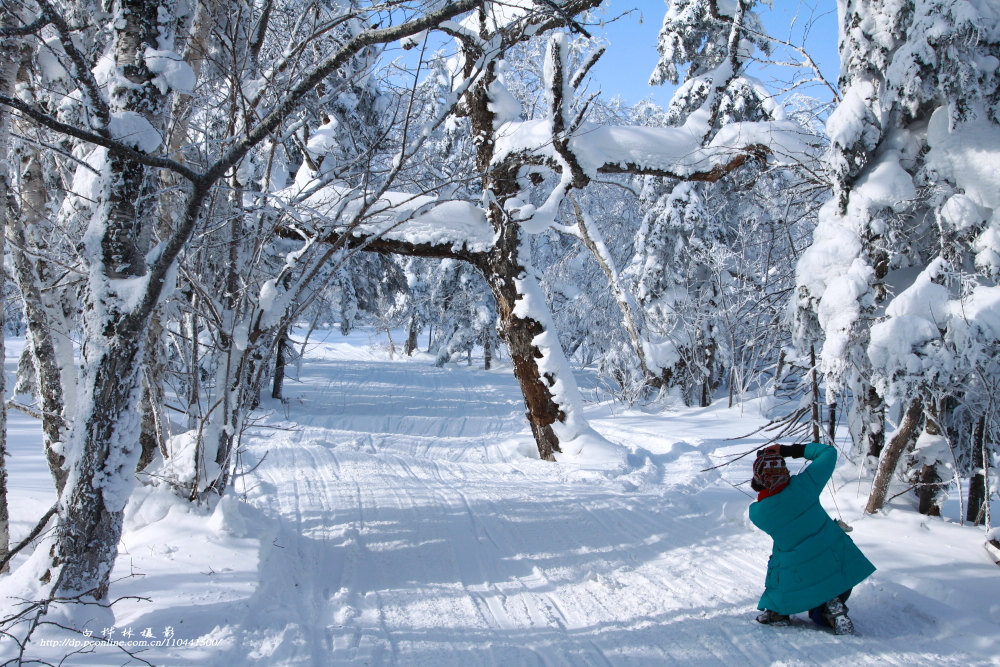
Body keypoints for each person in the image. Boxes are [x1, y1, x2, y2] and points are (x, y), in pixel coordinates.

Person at [748, 442, 876, 635]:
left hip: (801, 577)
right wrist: (788, 450)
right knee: (826, 590)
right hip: (839, 566)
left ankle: (777, 612)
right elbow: (828, 453)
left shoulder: (758, 513)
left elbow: (770, 497)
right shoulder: (806, 484)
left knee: (779, 560)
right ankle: (833, 605)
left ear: (759, 480)